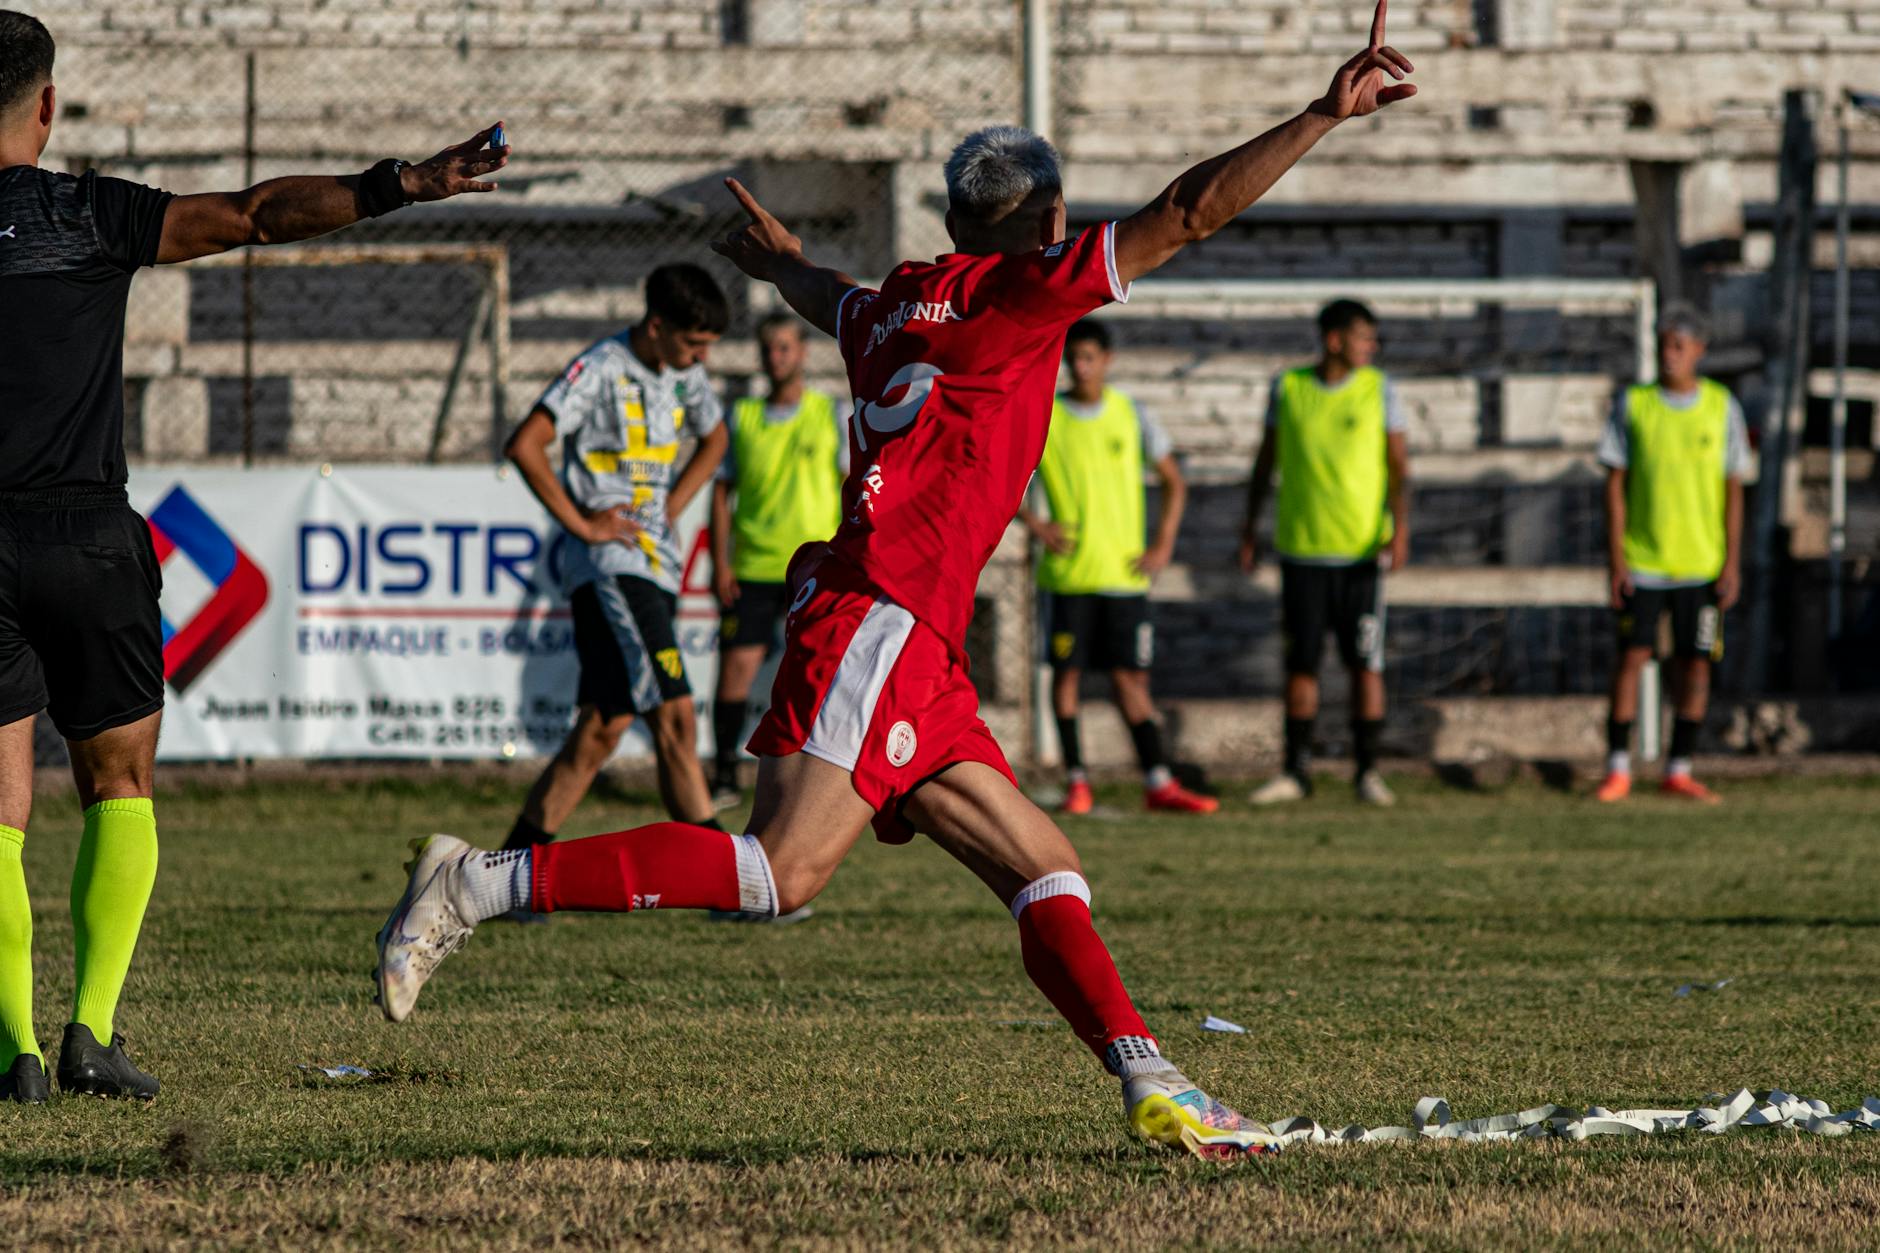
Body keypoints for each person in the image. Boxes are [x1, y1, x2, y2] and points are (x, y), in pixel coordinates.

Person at [376, 1, 1415, 1153]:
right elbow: (1187, 210)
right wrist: (1322, 113)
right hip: (883, 613)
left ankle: (1152, 1079)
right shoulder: (1023, 299)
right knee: (778, 874)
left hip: (902, 631)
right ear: (1050, 222)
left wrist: (777, 261)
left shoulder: (891, 308)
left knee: (1044, 868)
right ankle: (478, 881)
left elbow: (829, 295)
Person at [0, 10, 506, 1103]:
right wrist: (400, 182)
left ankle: (14, 1051)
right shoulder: (86, 210)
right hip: (85, 533)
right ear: (46, 104)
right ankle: (88, 1028)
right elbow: (256, 213)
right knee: (117, 780)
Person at [493, 265, 732, 890]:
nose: (701, 358)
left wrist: (673, 508)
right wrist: (584, 524)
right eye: (691, 344)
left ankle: (504, 878)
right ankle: (727, 884)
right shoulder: (600, 368)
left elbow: (717, 436)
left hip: (653, 567)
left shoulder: (685, 373)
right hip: (612, 567)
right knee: (675, 716)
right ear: (656, 327)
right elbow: (527, 443)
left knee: (603, 727)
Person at [1019, 320, 1216, 816]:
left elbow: (1174, 481)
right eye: (1073, 358)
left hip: (1124, 576)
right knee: (1067, 679)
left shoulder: (1131, 415)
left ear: (1107, 360)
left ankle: (1157, 781)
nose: (1080, 367)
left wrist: (1163, 543)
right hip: (1068, 577)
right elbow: (1000, 471)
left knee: (1131, 681)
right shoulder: (1045, 415)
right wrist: (1034, 523)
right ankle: (1078, 783)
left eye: (1088, 357)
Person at [1239, 299, 1410, 808]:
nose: (1371, 348)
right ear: (1334, 339)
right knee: (1302, 666)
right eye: (1363, 337)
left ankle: (1368, 771)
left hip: (1360, 555)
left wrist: (1399, 530)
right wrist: (1249, 527)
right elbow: (1264, 462)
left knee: (1365, 663)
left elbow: (1399, 467)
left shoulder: (1380, 389)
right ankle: (1295, 771)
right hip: (1301, 553)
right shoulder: (1288, 388)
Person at [1595, 303, 1748, 804]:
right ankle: (1618, 767)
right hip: (1644, 560)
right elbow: (1614, 487)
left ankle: (1678, 768)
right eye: (1664, 345)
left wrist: (1731, 561)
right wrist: (1616, 558)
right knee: (1632, 657)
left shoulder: (1722, 407)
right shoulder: (1634, 404)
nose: (1670, 355)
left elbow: (1734, 490)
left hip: (1701, 563)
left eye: (1680, 346)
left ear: (1700, 351)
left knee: (1696, 665)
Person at [707, 314, 846, 810]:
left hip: (816, 570)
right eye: (769, 349)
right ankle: (724, 773)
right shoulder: (741, 416)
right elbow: (721, 495)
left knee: (819, 675)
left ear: (802, 352)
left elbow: (854, 487)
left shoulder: (828, 413)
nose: (777, 357)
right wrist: (720, 563)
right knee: (735, 669)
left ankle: (817, 779)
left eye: (786, 348)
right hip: (754, 566)